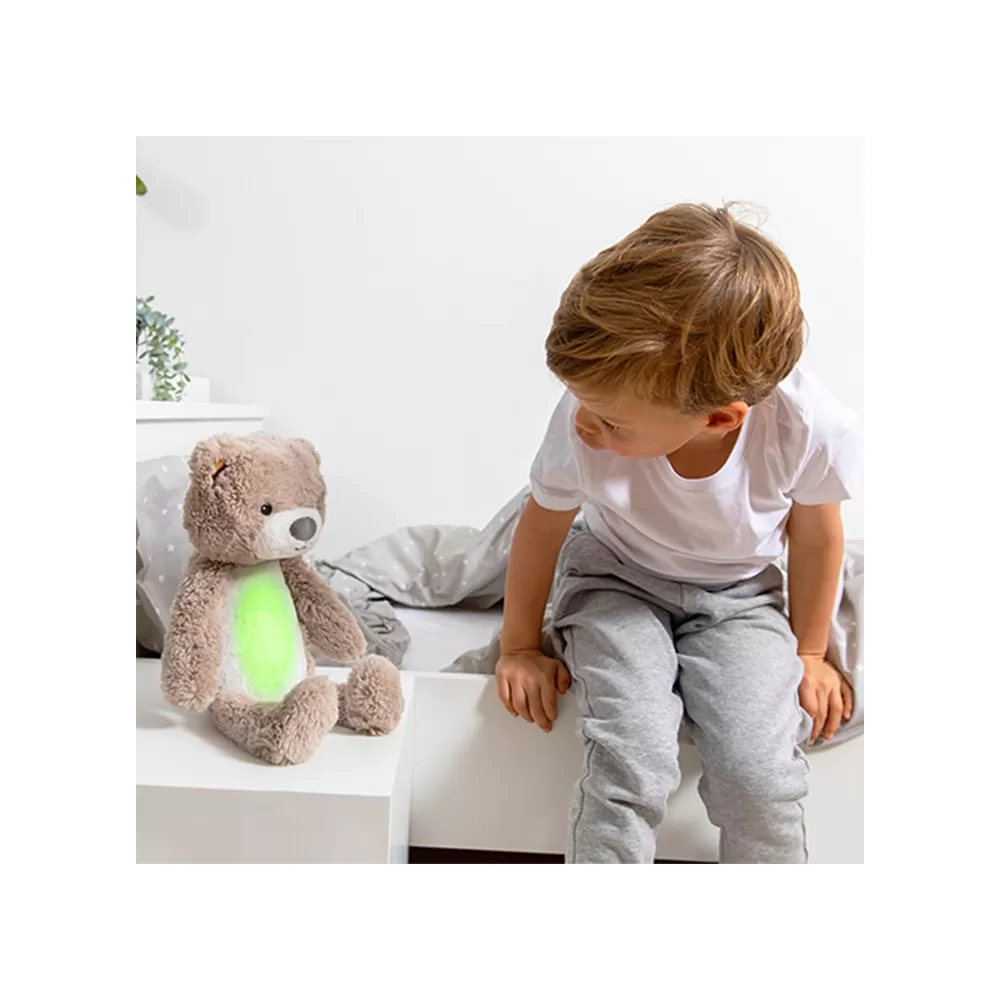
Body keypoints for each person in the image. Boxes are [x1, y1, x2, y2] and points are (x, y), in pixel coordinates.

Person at [496, 203, 861, 863]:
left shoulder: (807, 427)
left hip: (739, 596)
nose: (586, 425)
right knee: (631, 752)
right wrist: (520, 646)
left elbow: (815, 537)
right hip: (615, 579)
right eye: (584, 403)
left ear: (720, 419)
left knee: (760, 775)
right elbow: (543, 526)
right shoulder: (584, 418)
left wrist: (810, 652)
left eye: (612, 422)